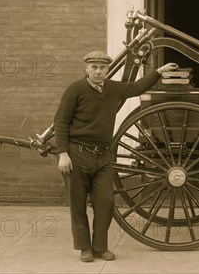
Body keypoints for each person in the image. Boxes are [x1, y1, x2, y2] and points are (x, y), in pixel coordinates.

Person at [54, 50, 178, 262]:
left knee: (106, 202)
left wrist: (158, 72)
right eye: (94, 67)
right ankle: (85, 248)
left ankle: (100, 248)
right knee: (78, 204)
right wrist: (63, 154)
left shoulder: (113, 89)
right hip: (77, 154)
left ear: (107, 70)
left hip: (103, 157)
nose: (98, 72)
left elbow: (137, 87)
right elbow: (61, 122)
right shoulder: (75, 90)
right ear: (86, 69)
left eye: (102, 68)